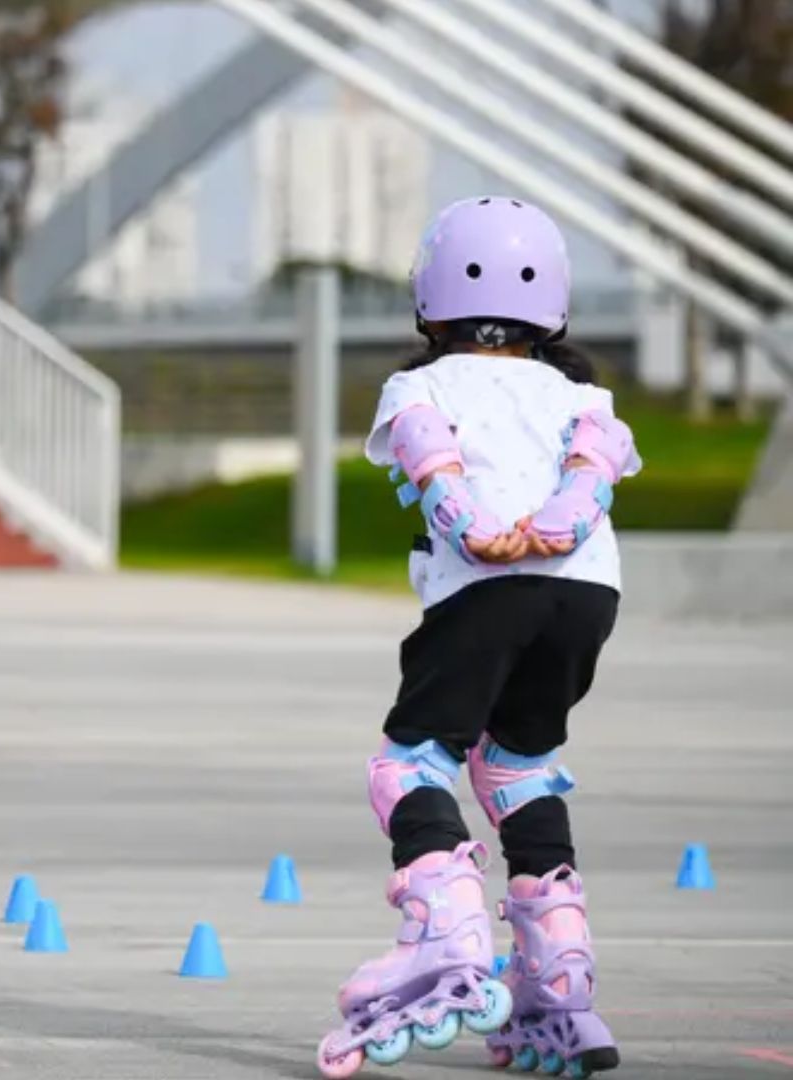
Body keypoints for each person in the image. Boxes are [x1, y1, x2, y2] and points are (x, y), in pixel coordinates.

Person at [317, 197, 636, 1079]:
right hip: (586, 597)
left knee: (410, 764)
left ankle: (447, 935)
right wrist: (557, 529)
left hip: (487, 589)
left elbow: (433, 463)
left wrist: (478, 528)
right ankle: (558, 978)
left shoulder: (418, 385)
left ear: (429, 303)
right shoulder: (584, 394)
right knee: (517, 767)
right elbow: (592, 478)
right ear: (556, 307)